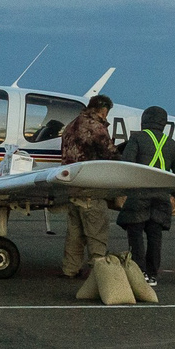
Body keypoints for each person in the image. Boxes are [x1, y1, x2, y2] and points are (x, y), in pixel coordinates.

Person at [115, 105, 175, 282]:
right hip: (161, 197)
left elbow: (127, 165)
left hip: (139, 195)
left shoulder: (137, 138)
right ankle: (153, 274)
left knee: (136, 233)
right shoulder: (170, 143)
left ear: (144, 120)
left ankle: (140, 272)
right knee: (155, 235)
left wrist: (123, 190)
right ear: (163, 123)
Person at [57, 94, 118, 277]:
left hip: (72, 187)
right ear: (103, 109)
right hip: (91, 188)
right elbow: (110, 154)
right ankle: (99, 274)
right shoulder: (96, 127)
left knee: (74, 235)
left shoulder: (70, 126)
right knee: (96, 234)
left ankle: (70, 269)